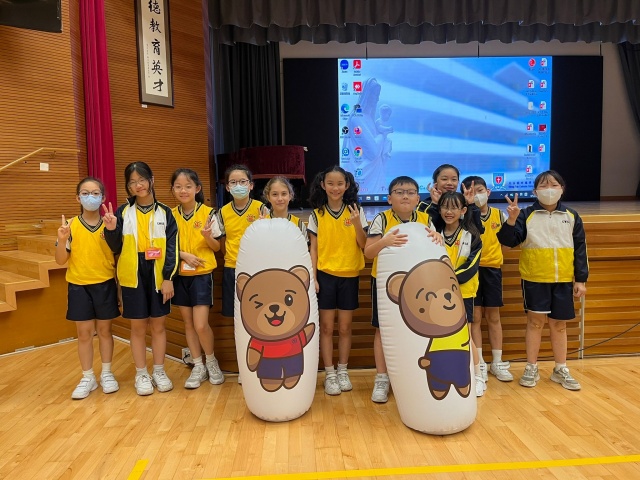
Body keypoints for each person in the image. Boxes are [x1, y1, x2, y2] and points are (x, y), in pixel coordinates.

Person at [497, 170, 588, 391]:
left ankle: (560, 369)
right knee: (535, 323)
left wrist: (580, 280)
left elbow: (580, 249)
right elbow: (508, 242)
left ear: (562, 189)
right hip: (534, 278)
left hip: (563, 279)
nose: (549, 189)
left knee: (559, 326)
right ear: (535, 191)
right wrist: (511, 220)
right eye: (544, 185)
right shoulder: (525, 214)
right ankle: (531, 367)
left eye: (554, 185)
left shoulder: (572, 216)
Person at [364, 175, 442, 403]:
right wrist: (384, 242)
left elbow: (436, 250)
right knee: (382, 330)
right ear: (389, 198)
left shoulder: (426, 219)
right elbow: (368, 252)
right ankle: (381, 378)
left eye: (410, 192)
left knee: (415, 329)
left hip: (418, 286)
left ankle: (412, 377)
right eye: (399, 192)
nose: (405, 196)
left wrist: (438, 238)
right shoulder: (381, 219)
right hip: (384, 283)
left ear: (418, 198)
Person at [103, 162, 178, 396]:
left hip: (158, 274)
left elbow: (173, 248)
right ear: (128, 186)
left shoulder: (165, 212)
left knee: (158, 325)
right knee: (137, 327)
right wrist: (111, 230)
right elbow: (115, 247)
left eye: (142, 180)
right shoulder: (122, 212)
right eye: (133, 182)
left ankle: (159, 371)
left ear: (151, 180)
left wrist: (168, 277)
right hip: (132, 275)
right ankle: (141, 373)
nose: (138, 185)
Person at [55, 177, 121, 399]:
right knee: (84, 334)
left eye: (95, 193)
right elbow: (60, 260)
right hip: (78, 286)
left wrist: (113, 230)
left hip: (105, 284)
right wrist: (62, 240)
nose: (90, 197)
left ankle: (107, 373)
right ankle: (88, 377)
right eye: (85, 193)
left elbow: (117, 253)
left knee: (105, 331)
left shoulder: (109, 224)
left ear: (103, 197)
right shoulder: (70, 225)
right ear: (78, 198)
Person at [307, 166, 367, 396]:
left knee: (344, 327)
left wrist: (357, 223)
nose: (335, 188)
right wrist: (314, 277)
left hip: (349, 276)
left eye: (340, 183)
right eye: (330, 183)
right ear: (323, 185)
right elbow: (313, 249)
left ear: (347, 185)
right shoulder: (316, 214)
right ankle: (329, 373)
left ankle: (343, 370)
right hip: (325, 277)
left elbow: (363, 244)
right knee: (326, 327)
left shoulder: (356, 211)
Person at [171, 168, 225, 389]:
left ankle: (211, 361)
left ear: (197, 188)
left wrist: (207, 237)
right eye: (178, 187)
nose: (183, 190)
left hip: (202, 275)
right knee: (188, 324)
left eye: (188, 186)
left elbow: (217, 247)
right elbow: (165, 247)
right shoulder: (170, 215)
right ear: (173, 190)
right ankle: (198, 365)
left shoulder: (209, 213)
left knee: (201, 324)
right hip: (179, 275)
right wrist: (183, 255)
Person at [461, 176, 513, 383]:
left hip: (492, 271)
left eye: (480, 190)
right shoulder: (465, 216)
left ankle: (497, 362)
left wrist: (511, 221)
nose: (476, 195)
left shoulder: (500, 215)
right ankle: (480, 362)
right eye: (471, 192)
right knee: (475, 317)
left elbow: (506, 244)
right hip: (471, 271)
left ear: (488, 192)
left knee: (493, 316)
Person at [437, 191, 486, 396]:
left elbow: (471, 267)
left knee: (465, 335)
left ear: (463, 210)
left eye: (454, 207)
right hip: (439, 294)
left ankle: (478, 376)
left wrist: (449, 279)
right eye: (445, 207)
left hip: (464, 293)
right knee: (443, 337)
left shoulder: (472, 236)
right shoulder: (434, 234)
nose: (449, 212)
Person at [215, 164, 265, 318]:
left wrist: (263, 226)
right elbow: (222, 241)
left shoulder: (261, 208)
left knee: (257, 314)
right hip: (232, 268)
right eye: (233, 182)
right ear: (227, 187)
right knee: (234, 315)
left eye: (243, 182)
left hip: (256, 268)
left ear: (251, 185)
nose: (238, 186)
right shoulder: (223, 212)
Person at [418, 164, 484, 234]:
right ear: (435, 182)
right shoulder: (425, 205)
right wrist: (435, 204)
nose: (449, 183)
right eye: (444, 179)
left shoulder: (464, 204)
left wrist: (471, 205)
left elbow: (478, 230)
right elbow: (424, 230)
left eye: (454, 179)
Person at [261, 176, 308, 241]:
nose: (280, 198)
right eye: (275, 194)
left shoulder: (298, 224)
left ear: (290, 196)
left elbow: (304, 247)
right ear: (268, 197)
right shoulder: (262, 224)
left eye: (284, 194)